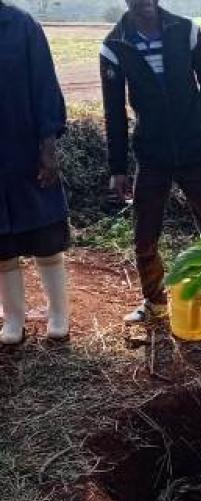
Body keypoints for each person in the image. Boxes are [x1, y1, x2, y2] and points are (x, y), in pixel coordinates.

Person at [100, 0, 201, 334]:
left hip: (196, 146)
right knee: (145, 235)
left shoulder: (186, 31)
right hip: (152, 154)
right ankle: (154, 302)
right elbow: (114, 113)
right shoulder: (114, 46)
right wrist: (117, 168)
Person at [0, 2, 70, 345]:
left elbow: (44, 86)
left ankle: (58, 314)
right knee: (1, 245)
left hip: (25, 150)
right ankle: (14, 319)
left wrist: (48, 145)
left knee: (44, 234)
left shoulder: (22, 26)